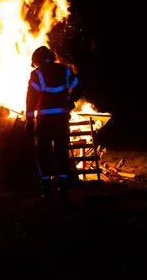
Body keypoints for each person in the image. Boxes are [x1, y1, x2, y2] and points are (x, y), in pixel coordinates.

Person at [25, 46, 83, 200]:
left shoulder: (36, 74)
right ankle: (64, 187)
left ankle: (46, 188)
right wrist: (70, 101)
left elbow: (31, 99)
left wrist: (29, 120)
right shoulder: (65, 70)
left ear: (36, 60)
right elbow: (79, 86)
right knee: (61, 152)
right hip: (61, 119)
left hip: (44, 121)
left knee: (43, 153)